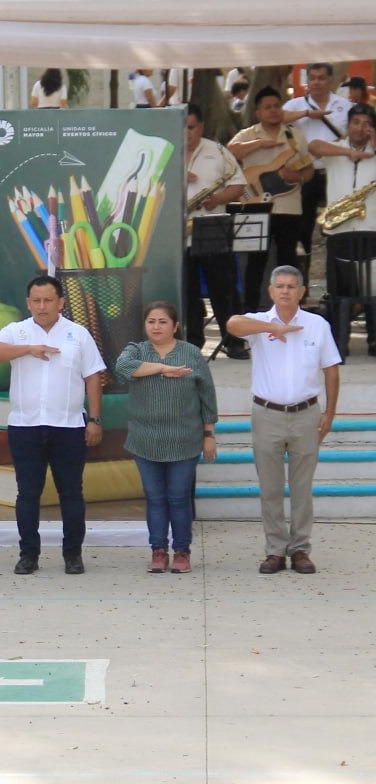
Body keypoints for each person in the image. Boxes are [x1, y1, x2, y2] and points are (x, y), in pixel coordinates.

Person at [0, 275, 107, 576]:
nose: (42, 306)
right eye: (36, 301)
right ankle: (29, 555)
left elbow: (93, 377)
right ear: (28, 303)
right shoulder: (17, 331)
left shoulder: (78, 334)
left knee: (71, 493)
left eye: (48, 300)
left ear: (61, 302)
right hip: (25, 427)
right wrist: (27, 349)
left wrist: (94, 419)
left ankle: (72, 555)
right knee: (27, 494)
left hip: (68, 427)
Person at [228, 267, 342, 574]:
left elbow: (331, 369)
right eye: (280, 286)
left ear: (302, 291)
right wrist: (274, 329)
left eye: (292, 286)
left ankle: (301, 549)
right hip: (267, 414)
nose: (286, 291)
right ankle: (275, 550)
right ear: (270, 291)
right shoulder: (260, 322)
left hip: (307, 414)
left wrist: (329, 413)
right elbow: (232, 324)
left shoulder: (317, 325)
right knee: (271, 487)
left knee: (302, 487)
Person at [114, 302, 219, 574]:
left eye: (162, 322)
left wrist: (209, 434)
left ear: (175, 326)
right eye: (151, 321)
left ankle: (182, 551)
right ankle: (158, 551)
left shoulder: (191, 354)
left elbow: (207, 397)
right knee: (155, 498)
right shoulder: (136, 351)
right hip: (145, 440)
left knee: (179, 497)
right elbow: (124, 368)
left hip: (184, 441)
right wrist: (161, 368)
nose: (157, 326)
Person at [229, 88, 315, 313]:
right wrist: (259, 144)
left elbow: (308, 172)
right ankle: (250, 309)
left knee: (288, 261)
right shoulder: (248, 134)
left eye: (277, 106)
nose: (274, 111)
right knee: (255, 262)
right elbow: (230, 153)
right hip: (254, 205)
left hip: (289, 208)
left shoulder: (294, 136)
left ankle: (290, 310)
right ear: (258, 112)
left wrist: (295, 176)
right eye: (268, 107)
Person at [309, 103, 376, 356]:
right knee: (340, 290)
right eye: (356, 122)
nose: (361, 128)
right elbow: (313, 146)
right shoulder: (335, 149)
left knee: (374, 289)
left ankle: (374, 339)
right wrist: (347, 153)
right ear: (348, 125)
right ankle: (340, 340)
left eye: (367, 123)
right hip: (339, 230)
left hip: (371, 229)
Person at [184, 103, 249, 358]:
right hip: (180, 234)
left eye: (191, 127)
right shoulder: (169, 151)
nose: (186, 133)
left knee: (224, 289)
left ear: (201, 127)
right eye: (182, 128)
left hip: (211, 226)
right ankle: (192, 342)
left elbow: (239, 185)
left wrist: (216, 198)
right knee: (187, 291)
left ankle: (232, 341)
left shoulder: (217, 151)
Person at [284, 64, 352, 273]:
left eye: (321, 78)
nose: (316, 82)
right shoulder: (295, 105)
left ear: (331, 81)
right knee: (302, 229)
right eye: (312, 78)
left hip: (335, 172)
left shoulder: (345, 105)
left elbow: (355, 133)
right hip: (306, 173)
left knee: (337, 227)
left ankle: (338, 284)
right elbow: (276, 119)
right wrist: (306, 113)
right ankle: (300, 284)